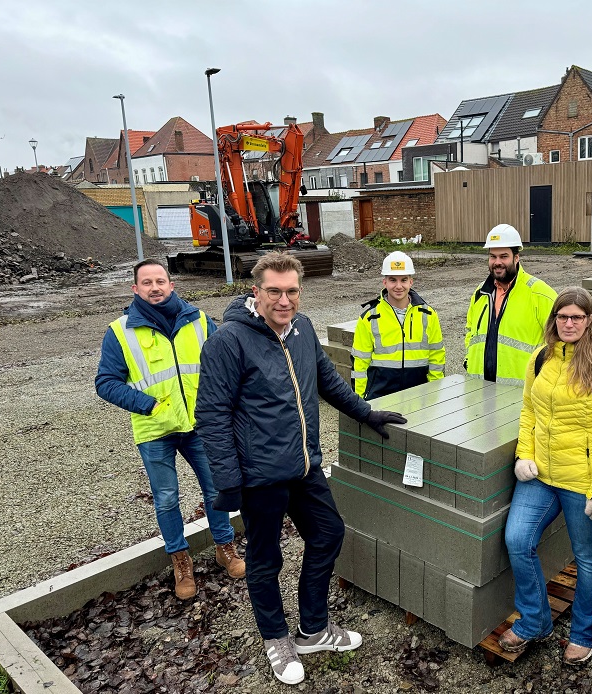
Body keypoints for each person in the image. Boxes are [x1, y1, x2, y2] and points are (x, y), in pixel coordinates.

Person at [194, 252, 406, 686]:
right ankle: (276, 638)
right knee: (265, 559)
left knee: (328, 533)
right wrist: (228, 481)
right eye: (274, 291)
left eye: (291, 291)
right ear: (256, 291)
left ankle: (313, 629)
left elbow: (326, 381)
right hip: (260, 477)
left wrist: (366, 413)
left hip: (305, 466)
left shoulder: (303, 329)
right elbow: (211, 415)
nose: (284, 300)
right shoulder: (228, 341)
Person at [500, 286, 592, 664]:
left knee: (588, 558)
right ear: (554, 319)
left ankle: (583, 633)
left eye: (577, 317)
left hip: (584, 484)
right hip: (541, 475)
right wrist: (523, 455)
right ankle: (534, 622)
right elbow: (529, 412)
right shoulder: (541, 358)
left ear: (591, 320)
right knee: (516, 539)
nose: (569, 323)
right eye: (563, 316)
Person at [95, 259, 244, 601]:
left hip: (200, 425)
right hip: (155, 429)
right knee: (166, 499)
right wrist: (148, 405)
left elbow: (227, 361)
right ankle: (181, 560)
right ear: (135, 289)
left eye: (160, 280)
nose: (154, 287)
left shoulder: (199, 321)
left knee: (216, 488)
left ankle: (225, 548)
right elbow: (105, 383)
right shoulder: (120, 332)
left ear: (171, 284)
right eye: (146, 283)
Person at [465, 224, 556, 386]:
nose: (497, 262)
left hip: (521, 392)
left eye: (504, 256)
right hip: (478, 388)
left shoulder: (539, 293)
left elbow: (563, 336)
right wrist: (469, 358)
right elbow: (470, 331)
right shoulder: (480, 293)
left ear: (516, 257)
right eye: (493, 256)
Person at [352, 250, 446, 400]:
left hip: (420, 396)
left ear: (411, 282)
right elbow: (360, 363)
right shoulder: (370, 318)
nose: (398, 286)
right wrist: (359, 400)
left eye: (403, 280)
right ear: (384, 282)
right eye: (392, 280)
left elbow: (437, 357)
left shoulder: (428, 315)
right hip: (381, 397)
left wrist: (434, 392)